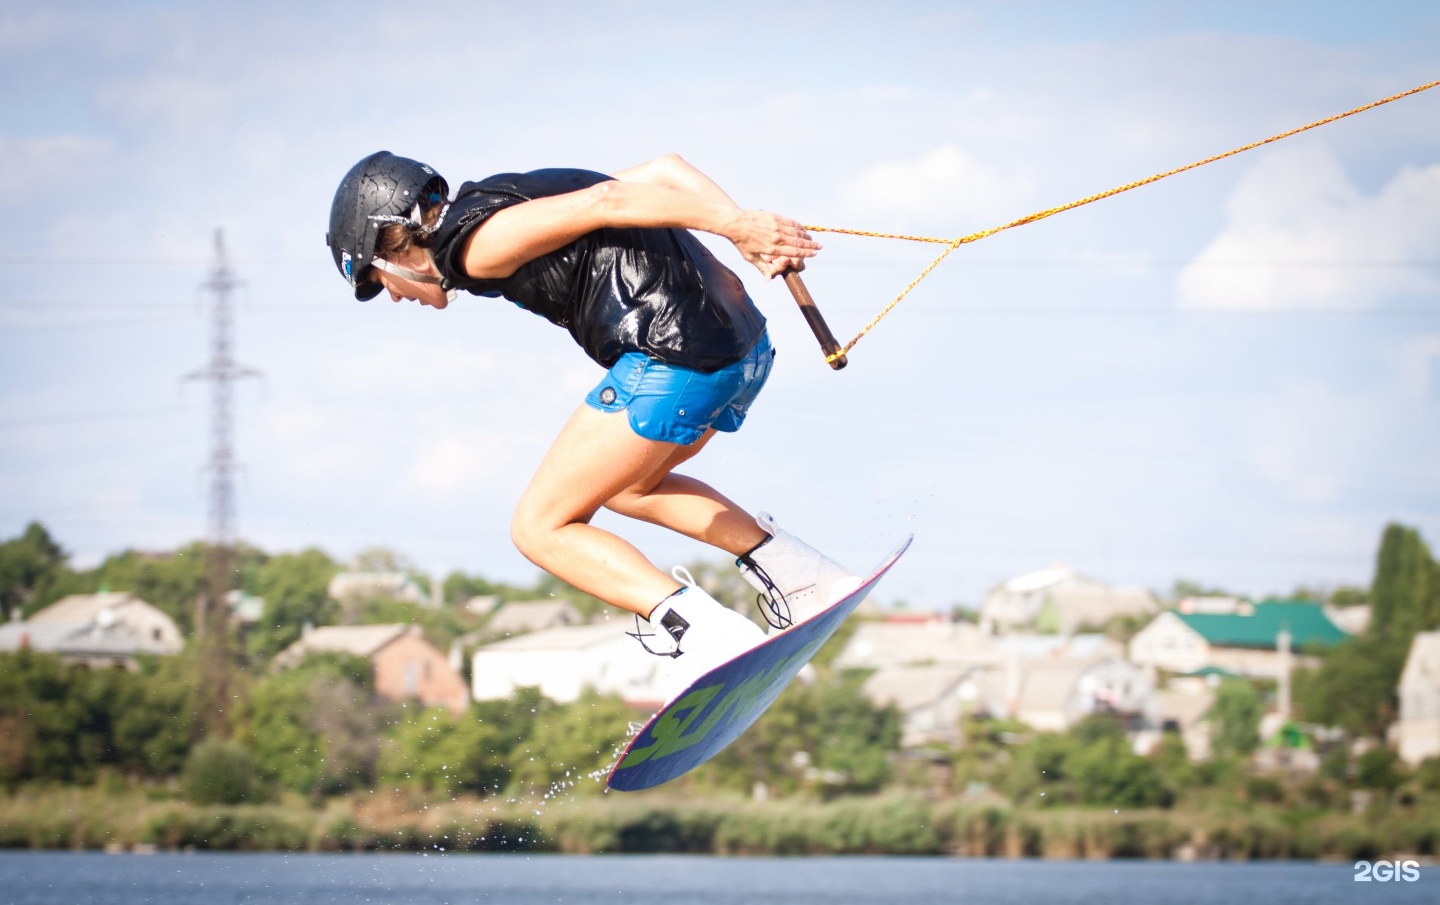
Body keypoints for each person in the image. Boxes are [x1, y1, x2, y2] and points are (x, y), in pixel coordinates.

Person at [327, 151, 861, 698]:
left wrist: (740, 228)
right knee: (631, 489)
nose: (391, 294)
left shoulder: (473, 243)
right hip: (743, 350)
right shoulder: (504, 199)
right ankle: (805, 578)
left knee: (539, 527)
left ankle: (703, 636)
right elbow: (666, 172)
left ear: (396, 242)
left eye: (378, 278)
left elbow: (608, 201)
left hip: (674, 359)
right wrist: (743, 235)